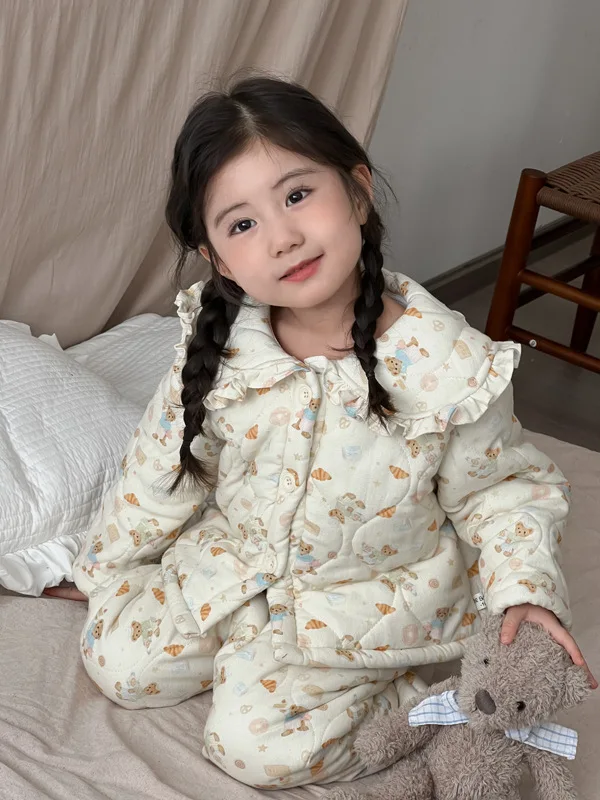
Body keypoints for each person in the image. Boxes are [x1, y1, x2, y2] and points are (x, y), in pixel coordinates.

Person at [45, 73, 596, 790]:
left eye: (298, 195)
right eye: (242, 225)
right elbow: (164, 465)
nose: (283, 238)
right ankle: (247, 644)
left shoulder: (446, 364)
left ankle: (429, 707)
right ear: (218, 259)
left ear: (358, 192)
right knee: (116, 662)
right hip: (240, 563)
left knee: (253, 750)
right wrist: (100, 567)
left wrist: (525, 591)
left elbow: (503, 492)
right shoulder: (222, 343)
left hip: (363, 595)